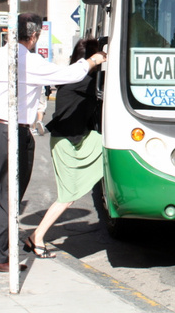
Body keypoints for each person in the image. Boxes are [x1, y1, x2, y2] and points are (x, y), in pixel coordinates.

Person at [0, 14, 107, 274]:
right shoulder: (29, 61)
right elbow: (69, 74)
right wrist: (94, 59)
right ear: (35, 36)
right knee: (8, 195)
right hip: (10, 132)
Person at [24, 38, 104, 258]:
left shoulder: (81, 78)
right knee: (67, 196)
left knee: (109, 147)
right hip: (65, 142)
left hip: (80, 138)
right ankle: (37, 237)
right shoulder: (80, 80)